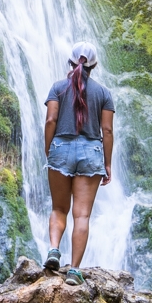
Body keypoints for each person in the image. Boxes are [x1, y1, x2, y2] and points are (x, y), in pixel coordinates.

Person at [43, 40, 114, 286]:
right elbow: (106, 130)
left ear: (71, 62)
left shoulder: (57, 88)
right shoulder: (103, 93)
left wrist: (48, 149)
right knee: (81, 215)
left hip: (61, 148)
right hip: (91, 151)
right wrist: (107, 164)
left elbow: (51, 120)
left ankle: (53, 250)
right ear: (94, 66)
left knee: (58, 209)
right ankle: (74, 270)